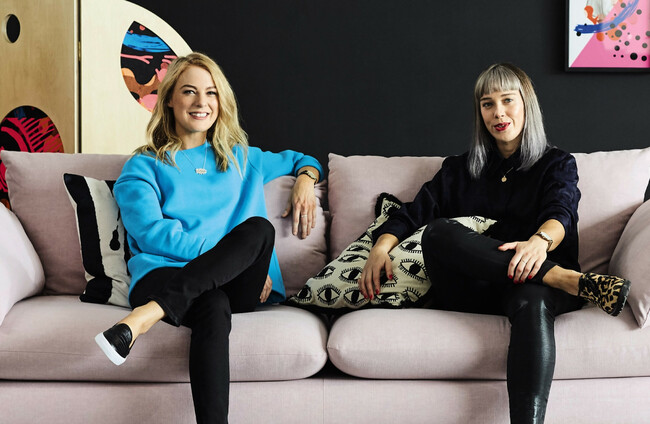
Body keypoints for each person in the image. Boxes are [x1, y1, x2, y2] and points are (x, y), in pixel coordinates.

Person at [358, 63, 631, 424]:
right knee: (437, 232)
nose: (498, 113)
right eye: (488, 104)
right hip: (474, 288)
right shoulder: (458, 169)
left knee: (533, 299)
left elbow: (561, 212)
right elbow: (413, 213)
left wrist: (539, 242)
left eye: (507, 100)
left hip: (531, 288)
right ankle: (563, 278)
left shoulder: (556, 163)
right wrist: (380, 248)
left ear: (526, 103)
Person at [94, 52, 322, 424]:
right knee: (213, 303)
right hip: (162, 276)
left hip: (234, 286)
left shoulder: (242, 159)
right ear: (170, 99)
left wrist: (306, 181)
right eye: (189, 91)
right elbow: (151, 233)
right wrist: (231, 257)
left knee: (259, 229)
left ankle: (144, 318)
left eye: (211, 92)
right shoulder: (143, 165)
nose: (202, 102)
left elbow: (303, 159)